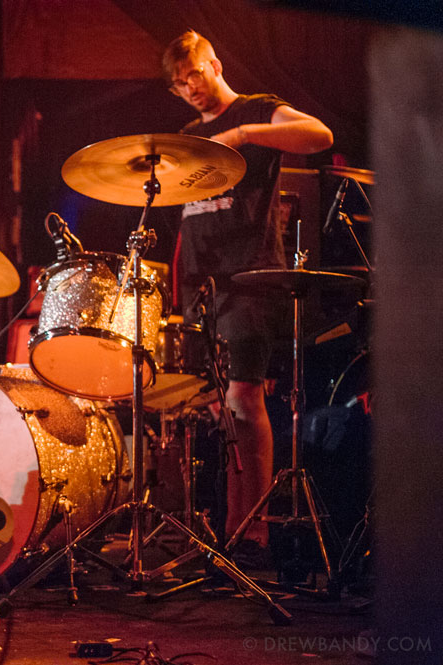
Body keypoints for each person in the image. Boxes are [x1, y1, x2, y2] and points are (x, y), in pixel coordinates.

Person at [161, 31, 333, 566]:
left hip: (248, 277)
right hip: (199, 282)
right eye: (178, 83)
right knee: (215, 405)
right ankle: (229, 532)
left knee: (244, 397)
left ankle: (251, 532)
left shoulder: (257, 111)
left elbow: (320, 135)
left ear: (214, 63)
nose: (189, 87)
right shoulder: (189, 134)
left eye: (194, 74)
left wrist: (245, 134)